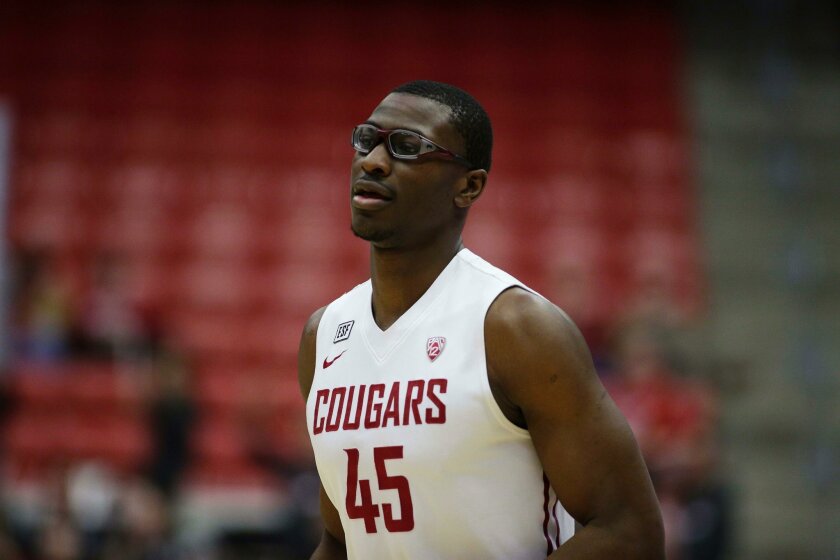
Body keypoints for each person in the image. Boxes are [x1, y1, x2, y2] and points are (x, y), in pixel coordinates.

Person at [298, 80, 664, 559]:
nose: (373, 161)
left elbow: (630, 533)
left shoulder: (518, 328)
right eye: (367, 140)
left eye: (407, 147)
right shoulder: (324, 336)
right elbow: (340, 540)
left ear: (468, 186)